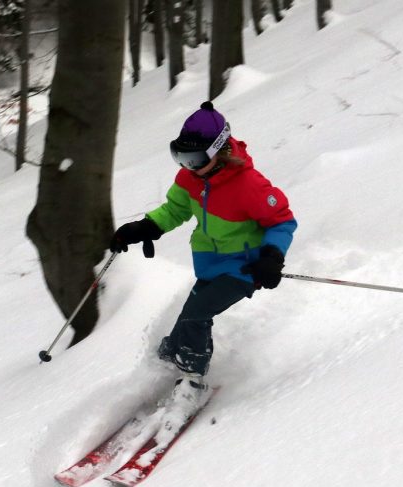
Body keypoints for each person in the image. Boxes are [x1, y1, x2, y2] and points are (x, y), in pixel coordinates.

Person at [109, 101, 297, 404]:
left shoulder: (249, 184)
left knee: (198, 315)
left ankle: (193, 380)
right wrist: (145, 228)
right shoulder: (190, 177)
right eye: (180, 157)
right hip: (210, 264)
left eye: (194, 158)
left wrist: (272, 257)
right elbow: (175, 210)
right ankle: (171, 357)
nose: (187, 166)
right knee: (187, 318)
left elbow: (282, 221)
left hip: (245, 268)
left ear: (219, 152)